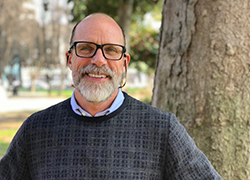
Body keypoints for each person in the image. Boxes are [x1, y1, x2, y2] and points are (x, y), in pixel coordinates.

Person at [0, 13, 223, 180]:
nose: (98, 60)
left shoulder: (163, 130)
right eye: (86, 48)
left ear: (124, 63)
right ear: (70, 59)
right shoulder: (36, 130)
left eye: (111, 50)